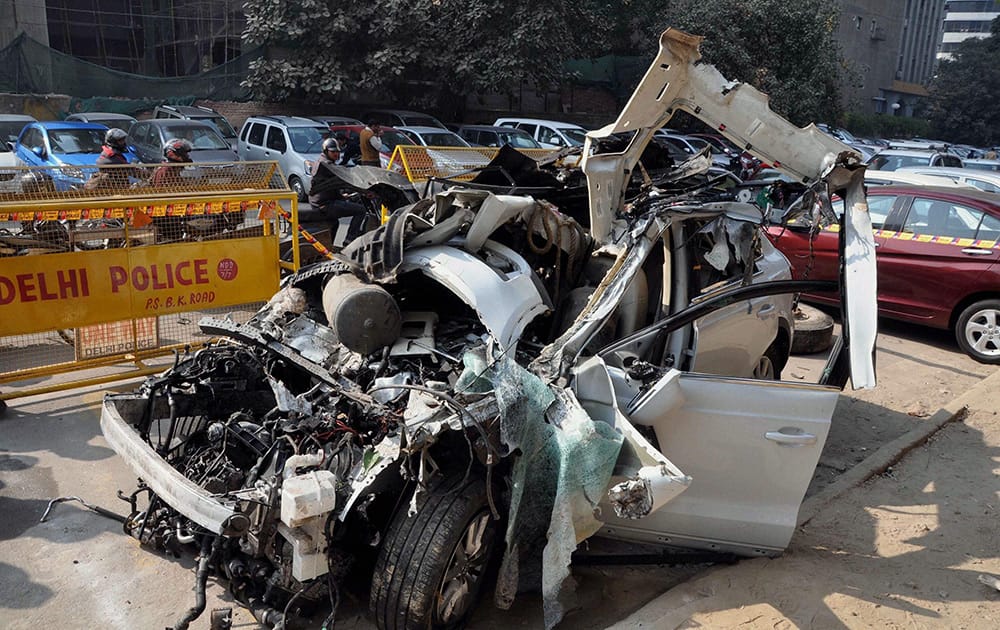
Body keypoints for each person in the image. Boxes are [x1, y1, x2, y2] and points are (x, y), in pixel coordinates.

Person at [308, 137, 368, 243]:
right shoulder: (327, 165)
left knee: (335, 222)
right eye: (333, 151)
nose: (336, 154)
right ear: (326, 151)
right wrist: (362, 189)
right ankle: (350, 239)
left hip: (318, 201)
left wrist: (342, 195)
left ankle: (330, 246)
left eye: (338, 151)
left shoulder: (322, 161)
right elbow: (343, 179)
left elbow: (332, 186)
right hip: (324, 204)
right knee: (361, 210)